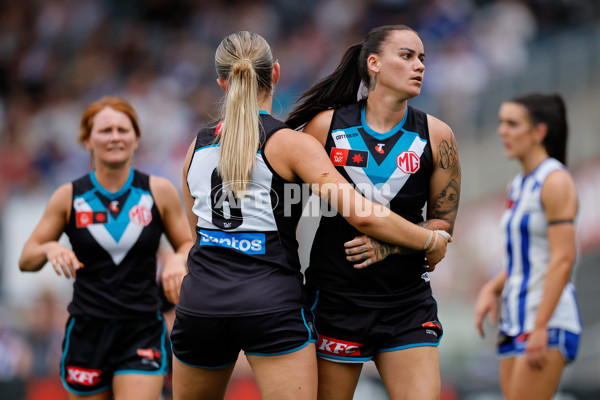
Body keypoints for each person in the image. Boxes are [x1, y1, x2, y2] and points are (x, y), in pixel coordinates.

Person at [170, 30, 451, 400]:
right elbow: (361, 214)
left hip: (201, 305)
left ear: (223, 82)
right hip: (271, 304)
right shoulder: (291, 142)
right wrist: (430, 239)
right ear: (276, 73)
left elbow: (197, 234)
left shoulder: (197, 145)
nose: (419, 64)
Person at [285, 25, 461, 400]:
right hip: (336, 299)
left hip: (407, 302)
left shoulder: (438, 135)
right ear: (374, 63)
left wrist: (391, 247)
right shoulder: (325, 126)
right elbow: (291, 212)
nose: (420, 66)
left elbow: (443, 229)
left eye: (423, 58)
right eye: (407, 55)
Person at [18, 95, 192, 400]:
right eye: (105, 130)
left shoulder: (158, 192)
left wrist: (178, 260)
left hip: (141, 330)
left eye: (123, 130)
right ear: (87, 140)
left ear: (136, 139)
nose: (115, 137)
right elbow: (26, 258)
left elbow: (189, 244)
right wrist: (49, 250)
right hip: (87, 333)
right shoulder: (68, 196)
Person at [474, 93, 581, 400]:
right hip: (514, 320)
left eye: (512, 123)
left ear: (539, 132)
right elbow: (527, 258)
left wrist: (541, 326)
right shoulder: (518, 185)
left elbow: (563, 258)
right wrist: (492, 288)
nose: (501, 131)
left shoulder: (555, 181)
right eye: (501, 123)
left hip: (545, 322)